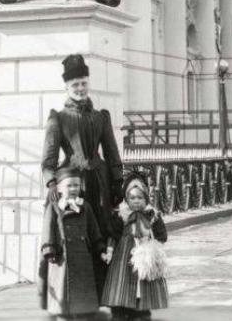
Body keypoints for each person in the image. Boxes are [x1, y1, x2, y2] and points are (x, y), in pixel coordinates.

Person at [42, 54, 124, 295]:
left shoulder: (100, 117)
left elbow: (111, 151)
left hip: (99, 184)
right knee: (76, 237)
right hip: (71, 184)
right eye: (75, 84)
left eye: (83, 83)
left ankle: (102, 294)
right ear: (67, 86)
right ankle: (75, 296)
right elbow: (47, 161)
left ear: (89, 84)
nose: (80, 88)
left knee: (102, 233)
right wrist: (52, 185)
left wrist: (117, 180)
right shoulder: (59, 118)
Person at [38, 167, 110, 318]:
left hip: (83, 259)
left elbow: (93, 232)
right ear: (59, 188)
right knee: (63, 295)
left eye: (76, 185)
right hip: (61, 259)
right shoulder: (55, 208)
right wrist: (49, 249)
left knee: (82, 300)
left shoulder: (85, 207)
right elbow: (47, 231)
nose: (73, 189)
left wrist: (101, 249)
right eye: (69, 185)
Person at [101, 173, 169, 320]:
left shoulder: (152, 215)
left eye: (140, 198)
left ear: (146, 198)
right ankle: (121, 308)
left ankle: (141, 309)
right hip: (123, 256)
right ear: (126, 199)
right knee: (121, 281)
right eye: (132, 198)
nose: (136, 201)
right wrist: (110, 249)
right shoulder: (122, 215)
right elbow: (113, 234)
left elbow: (161, 234)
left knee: (142, 281)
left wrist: (155, 248)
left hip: (145, 255)